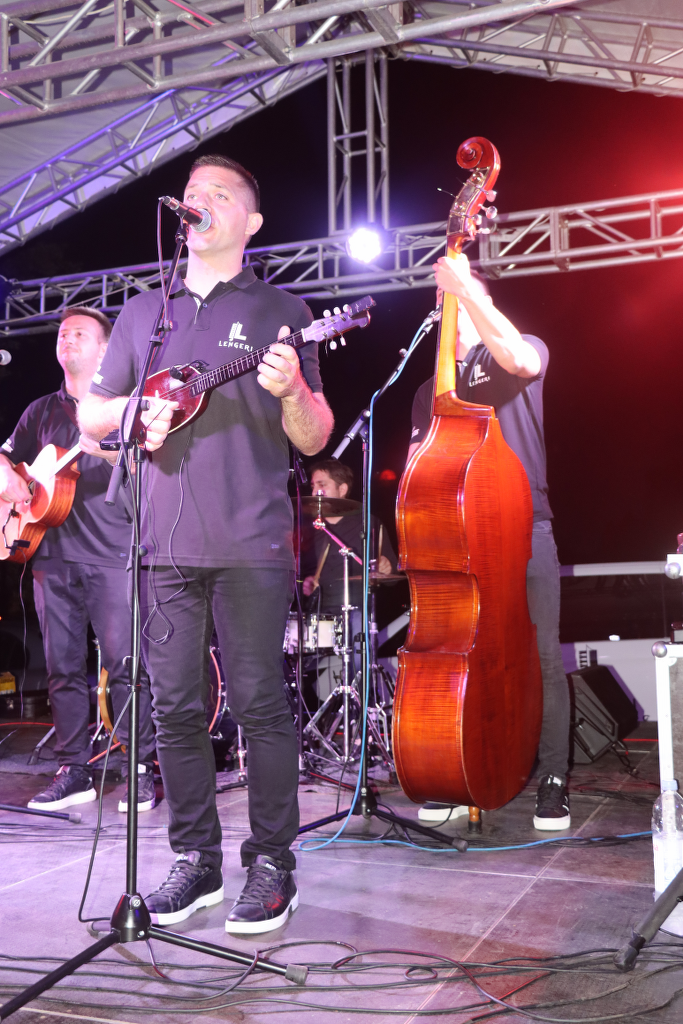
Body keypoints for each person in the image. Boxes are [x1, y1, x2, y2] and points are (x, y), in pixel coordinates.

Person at [79, 154, 334, 933]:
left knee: (260, 706)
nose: (199, 201)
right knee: (175, 711)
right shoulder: (143, 313)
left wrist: (291, 390)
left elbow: (315, 436)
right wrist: (138, 413)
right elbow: (93, 417)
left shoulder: (282, 309)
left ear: (250, 222)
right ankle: (196, 862)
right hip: (159, 544)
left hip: (251, 541)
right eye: (192, 193)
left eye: (219, 194)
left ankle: (272, 863)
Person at [406, 254, 571, 832]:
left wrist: (469, 292)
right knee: (462, 657)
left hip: (525, 528)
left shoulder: (515, 349)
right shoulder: (429, 389)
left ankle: (553, 777)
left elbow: (520, 359)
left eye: (456, 293)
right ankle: (460, 770)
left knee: (541, 655)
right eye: (442, 296)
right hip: (457, 543)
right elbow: (419, 470)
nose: (446, 304)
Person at [0, 307, 156, 813]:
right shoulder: (40, 410)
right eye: (63, 333)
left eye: (80, 333)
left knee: (125, 665)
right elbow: (7, 455)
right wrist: (11, 476)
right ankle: (74, 770)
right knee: (61, 668)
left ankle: (141, 767)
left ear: (105, 349)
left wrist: (113, 452)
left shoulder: (125, 404)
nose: (67, 338)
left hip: (113, 552)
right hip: (50, 556)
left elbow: (155, 468)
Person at [302, 459, 396, 612]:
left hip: (357, 611)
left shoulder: (367, 524)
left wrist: (387, 567)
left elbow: (393, 578)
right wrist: (305, 582)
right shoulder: (308, 528)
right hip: (318, 613)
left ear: (342, 489)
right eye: (313, 486)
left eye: (322, 485)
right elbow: (296, 575)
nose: (314, 493)